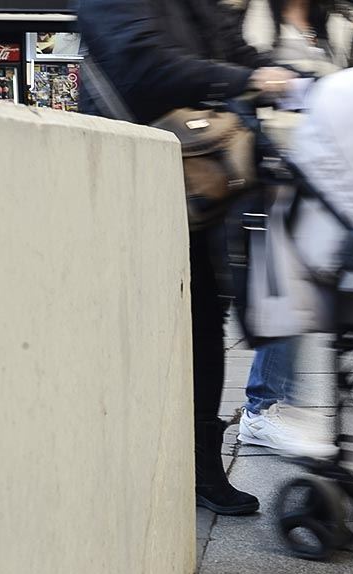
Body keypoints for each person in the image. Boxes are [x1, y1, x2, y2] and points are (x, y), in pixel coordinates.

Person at [78, 0, 299, 516]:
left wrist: (290, 76)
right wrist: (250, 77)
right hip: (126, 175)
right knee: (133, 321)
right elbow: (143, 65)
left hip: (192, 177)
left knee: (204, 315)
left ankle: (201, 464)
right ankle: (124, 460)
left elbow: (236, 48)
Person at [238, 0, 351, 457]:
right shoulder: (258, 20)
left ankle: (277, 402)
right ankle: (261, 409)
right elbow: (244, 95)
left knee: (307, 295)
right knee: (285, 292)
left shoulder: (331, 26)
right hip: (277, 179)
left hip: (322, 180)